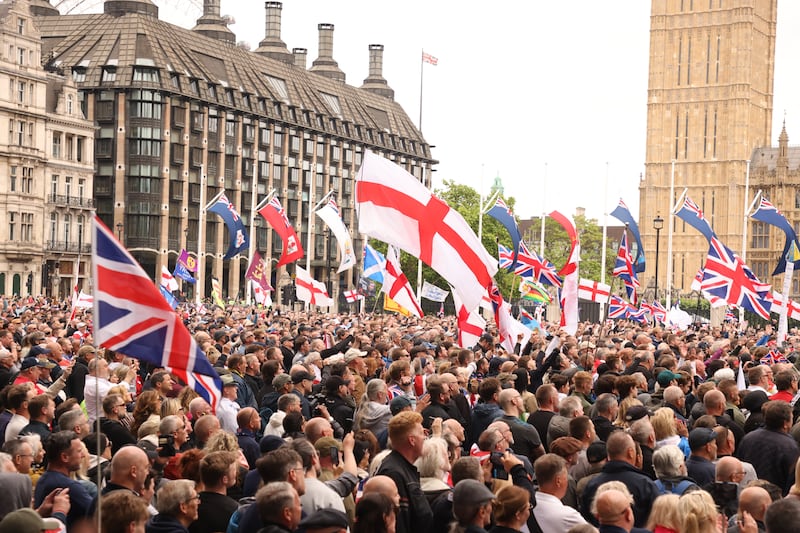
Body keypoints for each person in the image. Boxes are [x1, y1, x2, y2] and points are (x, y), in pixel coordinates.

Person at [581, 431, 659, 528]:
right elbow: (657, 519)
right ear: (630, 452)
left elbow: (585, 522)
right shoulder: (645, 485)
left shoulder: (591, 486)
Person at [375, 411, 433, 533]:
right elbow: (398, 524)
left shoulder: (402, 468)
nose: (425, 438)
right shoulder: (393, 474)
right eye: (422, 433)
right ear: (412, 440)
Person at [33, 430, 93, 528]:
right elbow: (100, 514)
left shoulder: (42, 480)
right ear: (65, 457)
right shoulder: (70, 487)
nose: (82, 455)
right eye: (79, 451)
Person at [532, 453, 587, 532]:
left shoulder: (524, 508)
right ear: (558, 481)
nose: (567, 480)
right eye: (566, 476)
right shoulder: (569, 516)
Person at [189, 451, 239, 533]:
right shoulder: (234, 510)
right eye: (234, 470)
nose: (236, 473)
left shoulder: (191, 506)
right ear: (224, 479)